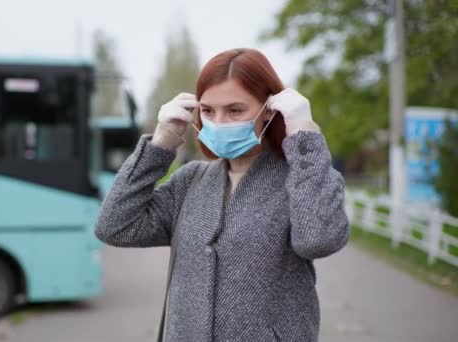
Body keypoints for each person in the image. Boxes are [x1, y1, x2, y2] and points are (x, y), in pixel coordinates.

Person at [95, 48, 349, 342]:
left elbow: (319, 239)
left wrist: (303, 136)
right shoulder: (190, 181)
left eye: (235, 110)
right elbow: (114, 225)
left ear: (269, 109)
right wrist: (161, 144)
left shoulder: (303, 179)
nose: (218, 122)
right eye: (208, 111)